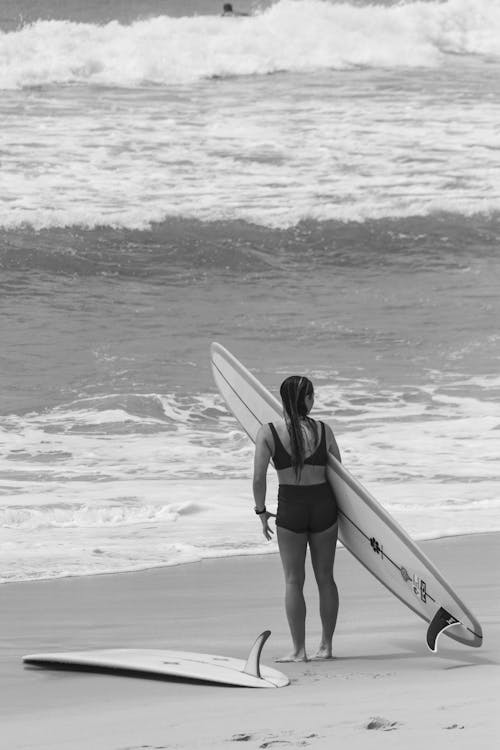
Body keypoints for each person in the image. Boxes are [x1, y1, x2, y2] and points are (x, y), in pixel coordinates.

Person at [253, 375, 341, 662]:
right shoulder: (324, 431)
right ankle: (326, 647)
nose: (314, 401)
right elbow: (342, 477)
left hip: (291, 507)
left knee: (293, 581)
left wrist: (261, 511)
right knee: (325, 578)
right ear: (304, 400)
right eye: (311, 396)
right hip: (324, 505)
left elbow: (258, 479)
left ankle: (299, 651)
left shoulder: (267, 432)